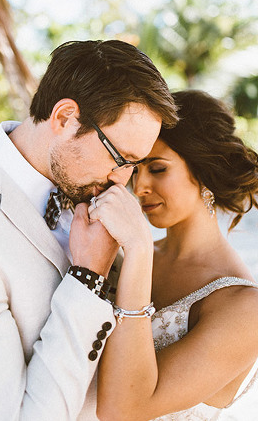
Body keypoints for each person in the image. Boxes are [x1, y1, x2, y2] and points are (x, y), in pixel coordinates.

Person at [0, 39, 179, 420]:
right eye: (120, 158)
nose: (121, 180)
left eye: (135, 164)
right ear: (64, 118)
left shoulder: (91, 194)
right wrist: (87, 278)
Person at [94, 90, 258, 420]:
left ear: (204, 172)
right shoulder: (123, 255)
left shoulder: (245, 309)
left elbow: (123, 409)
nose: (139, 188)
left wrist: (139, 252)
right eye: (135, 170)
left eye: (157, 169)